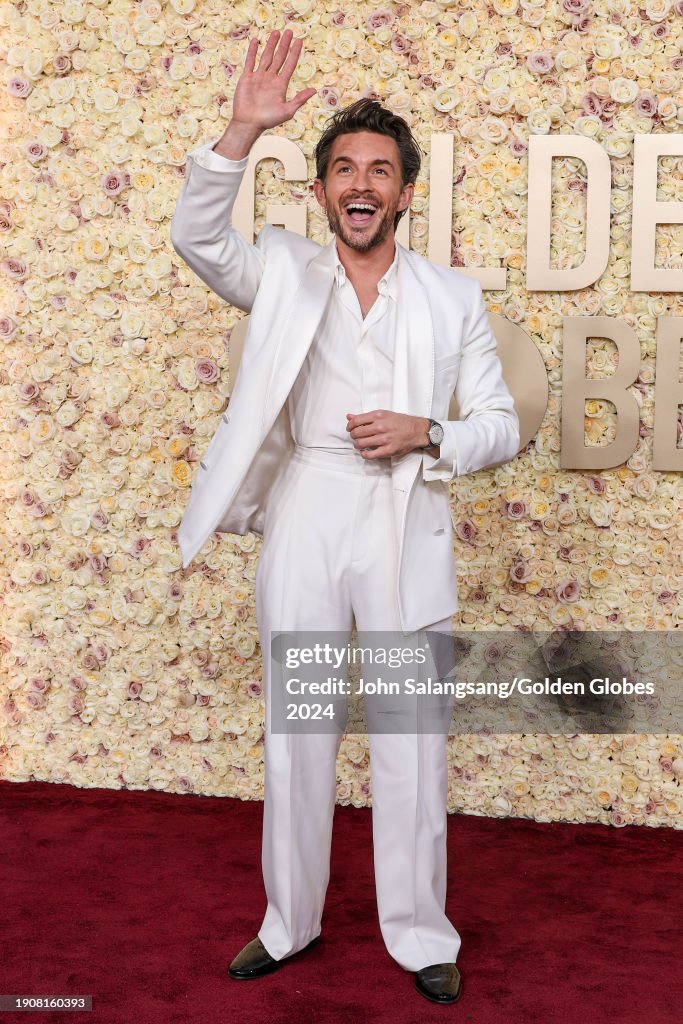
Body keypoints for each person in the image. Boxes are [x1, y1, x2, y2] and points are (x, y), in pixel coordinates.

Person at [170, 28, 519, 1006]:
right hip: (308, 511)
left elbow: (498, 425)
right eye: (340, 169)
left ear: (405, 192)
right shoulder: (279, 269)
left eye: (379, 170)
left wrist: (427, 430)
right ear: (321, 192)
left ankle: (417, 932)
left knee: (412, 737)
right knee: (301, 730)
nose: (359, 183)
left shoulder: (452, 298)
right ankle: (289, 921)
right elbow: (198, 239)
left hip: (406, 522)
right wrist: (242, 129)